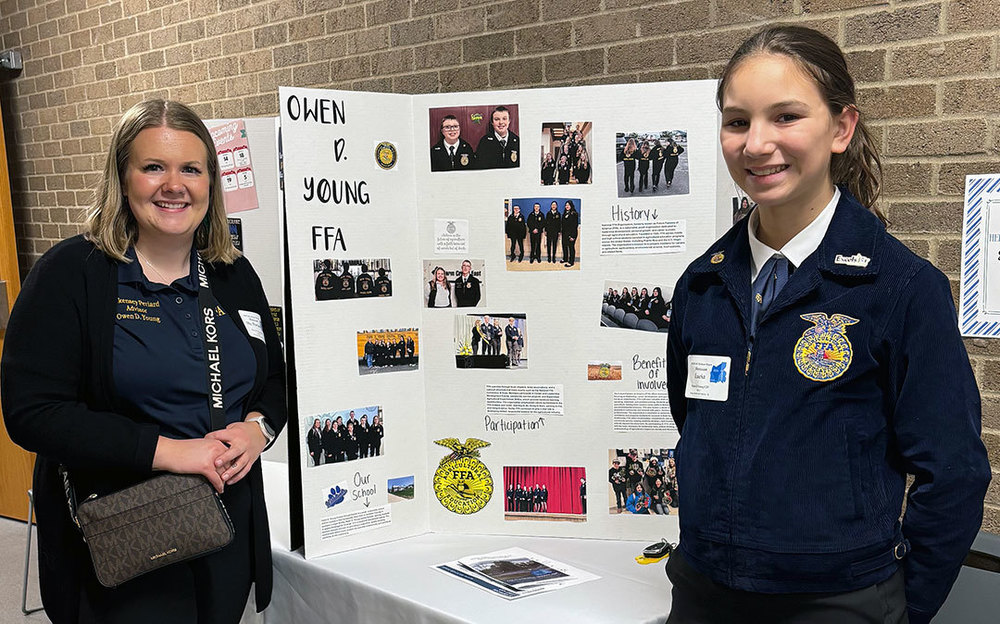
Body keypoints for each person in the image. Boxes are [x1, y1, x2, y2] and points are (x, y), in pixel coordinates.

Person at [665, 26, 991, 624]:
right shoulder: (701, 285)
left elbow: (955, 472)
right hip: (703, 590)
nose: (756, 144)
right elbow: (695, 423)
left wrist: (902, 607)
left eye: (786, 116)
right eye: (737, 122)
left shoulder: (900, 289)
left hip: (837, 601)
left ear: (841, 128)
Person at [0, 99, 286, 624]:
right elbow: (33, 412)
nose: (174, 185)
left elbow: (273, 377)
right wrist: (168, 451)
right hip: (127, 539)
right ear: (122, 178)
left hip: (225, 529)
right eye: (154, 167)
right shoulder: (71, 273)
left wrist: (257, 429)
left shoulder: (232, 273)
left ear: (210, 182)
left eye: (191, 169)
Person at [560, 200, 579, 267]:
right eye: (566, 205)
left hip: (572, 234)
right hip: (564, 233)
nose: (567, 206)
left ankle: (571, 262)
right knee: (564, 246)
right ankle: (565, 259)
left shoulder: (574, 214)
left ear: (571, 206)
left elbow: (575, 226)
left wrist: (572, 236)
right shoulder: (564, 214)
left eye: (568, 205)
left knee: (571, 247)